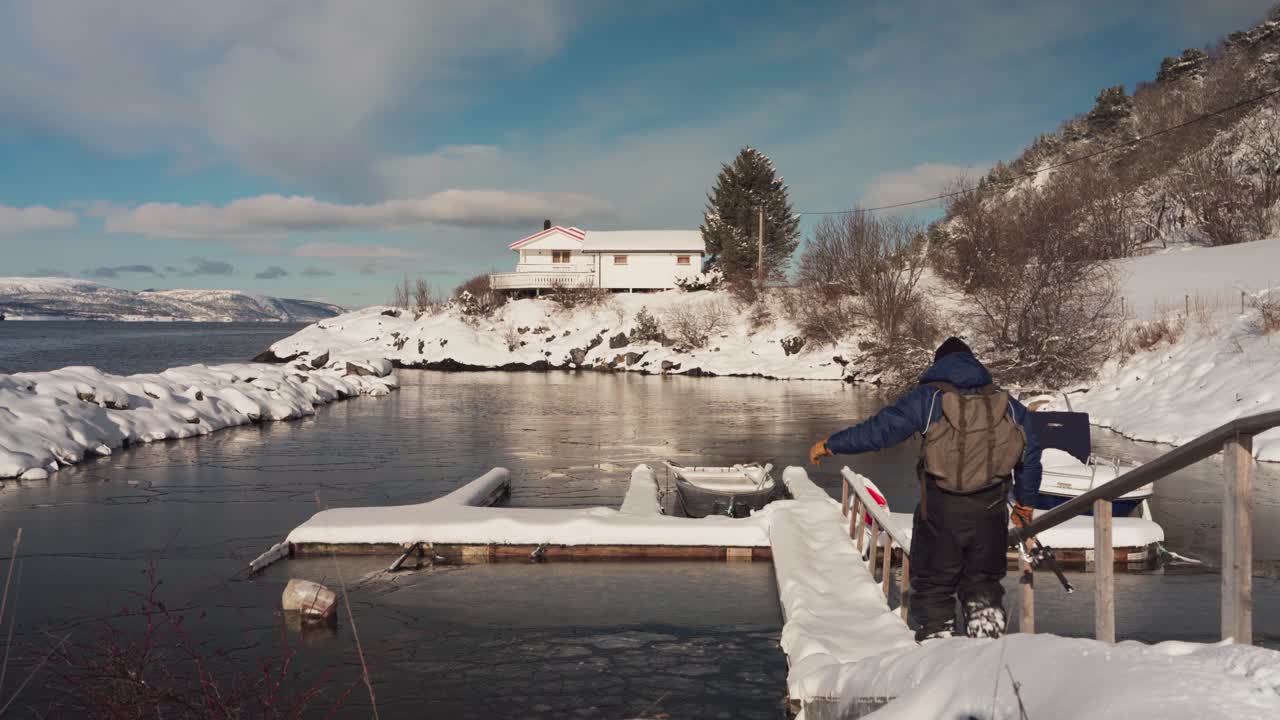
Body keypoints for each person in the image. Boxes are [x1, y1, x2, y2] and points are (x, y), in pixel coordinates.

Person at [810, 337, 1041, 641]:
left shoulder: (930, 398)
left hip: (941, 511)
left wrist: (831, 445)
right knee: (983, 583)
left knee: (934, 584)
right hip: (990, 512)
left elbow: (880, 431)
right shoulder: (1007, 404)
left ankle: (938, 643)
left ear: (939, 364)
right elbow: (1030, 454)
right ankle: (987, 647)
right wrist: (1025, 504)